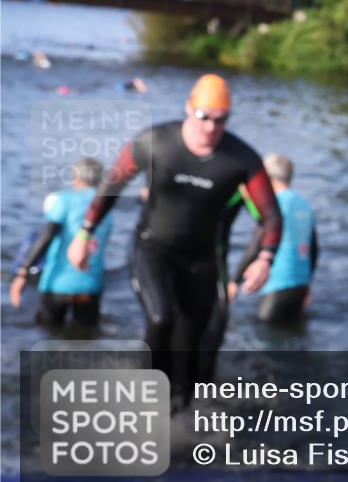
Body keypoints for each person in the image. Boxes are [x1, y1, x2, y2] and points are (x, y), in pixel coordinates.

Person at [67, 74, 282, 407]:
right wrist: (83, 234)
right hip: (152, 250)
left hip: (201, 262)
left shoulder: (241, 159)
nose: (211, 127)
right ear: (189, 108)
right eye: (204, 117)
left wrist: (265, 258)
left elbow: (270, 216)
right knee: (161, 318)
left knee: (190, 344)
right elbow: (111, 187)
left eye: (221, 119)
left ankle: (181, 414)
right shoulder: (155, 142)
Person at [9, 158, 112, 327]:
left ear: (75, 176)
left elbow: (46, 236)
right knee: (86, 339)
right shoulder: (106, 205)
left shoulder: (64, 200)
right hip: (91, 286)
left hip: (58, 284)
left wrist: (23, 273)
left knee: (49, 336)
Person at [227, 154, 319, 324]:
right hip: (301, 285)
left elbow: (256, 244)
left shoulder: (272, 206)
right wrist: (308, 285)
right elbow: (313, 249)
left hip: (277, 285)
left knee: (265, 335)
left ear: (267, 178)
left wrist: (234, 282)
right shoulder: (304, 204)